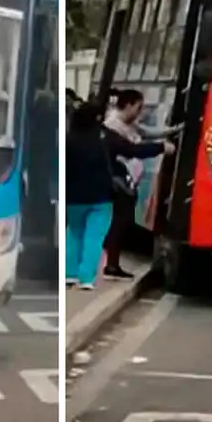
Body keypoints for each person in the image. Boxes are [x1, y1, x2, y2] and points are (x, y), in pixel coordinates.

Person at [66, 101, 174, 290]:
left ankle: (69, 274)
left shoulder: (69, 139)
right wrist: (161, 147)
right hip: (100, 196)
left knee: (74, 233)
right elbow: (133, 150)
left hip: (74, 197)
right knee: (94, 236)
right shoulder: (105, 137)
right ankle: (86, 278)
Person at [101, 89, 182, 278]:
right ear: (128, 105)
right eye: (139, 107)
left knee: (122, 223)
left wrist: (176, 130)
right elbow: (132, 150)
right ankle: (110, 265)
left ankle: (112, 263)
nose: (141, 112)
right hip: (118, 182)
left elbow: (149, 133)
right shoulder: (112, 127)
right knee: (119, 223)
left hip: (127, 180)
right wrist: (160, 148)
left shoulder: (129, 125)